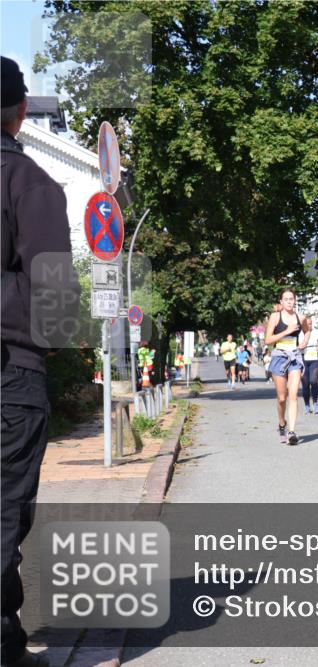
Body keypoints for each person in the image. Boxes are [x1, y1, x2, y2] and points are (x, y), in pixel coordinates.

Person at [2, 55, 80, 667]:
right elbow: (54, 300)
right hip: (9, 375)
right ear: (22, 112)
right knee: (3, 511)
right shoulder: (29, 182)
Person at [265, 288, 308, 445]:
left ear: (295, 301)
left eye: (291, 299)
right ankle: (282, 424)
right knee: (282, 398)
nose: (289, 302)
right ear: (281, 302)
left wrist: (305, 341)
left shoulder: (300, 317)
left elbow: (307, 330)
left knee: (293, 395)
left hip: (295, 357)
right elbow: (268, 340)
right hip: (279, 357)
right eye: (286, 299)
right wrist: (286, 331)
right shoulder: (275, 317)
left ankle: (291, 432)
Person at [301, 316, 318, 414]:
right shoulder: (299, 333)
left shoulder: (316, 332)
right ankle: (307, 405)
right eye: (307, 324)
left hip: (314, 357)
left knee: (314, 381)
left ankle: (315, 403)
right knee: (305, 383)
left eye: (310, 323)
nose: (309, 325)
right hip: (303, 358)